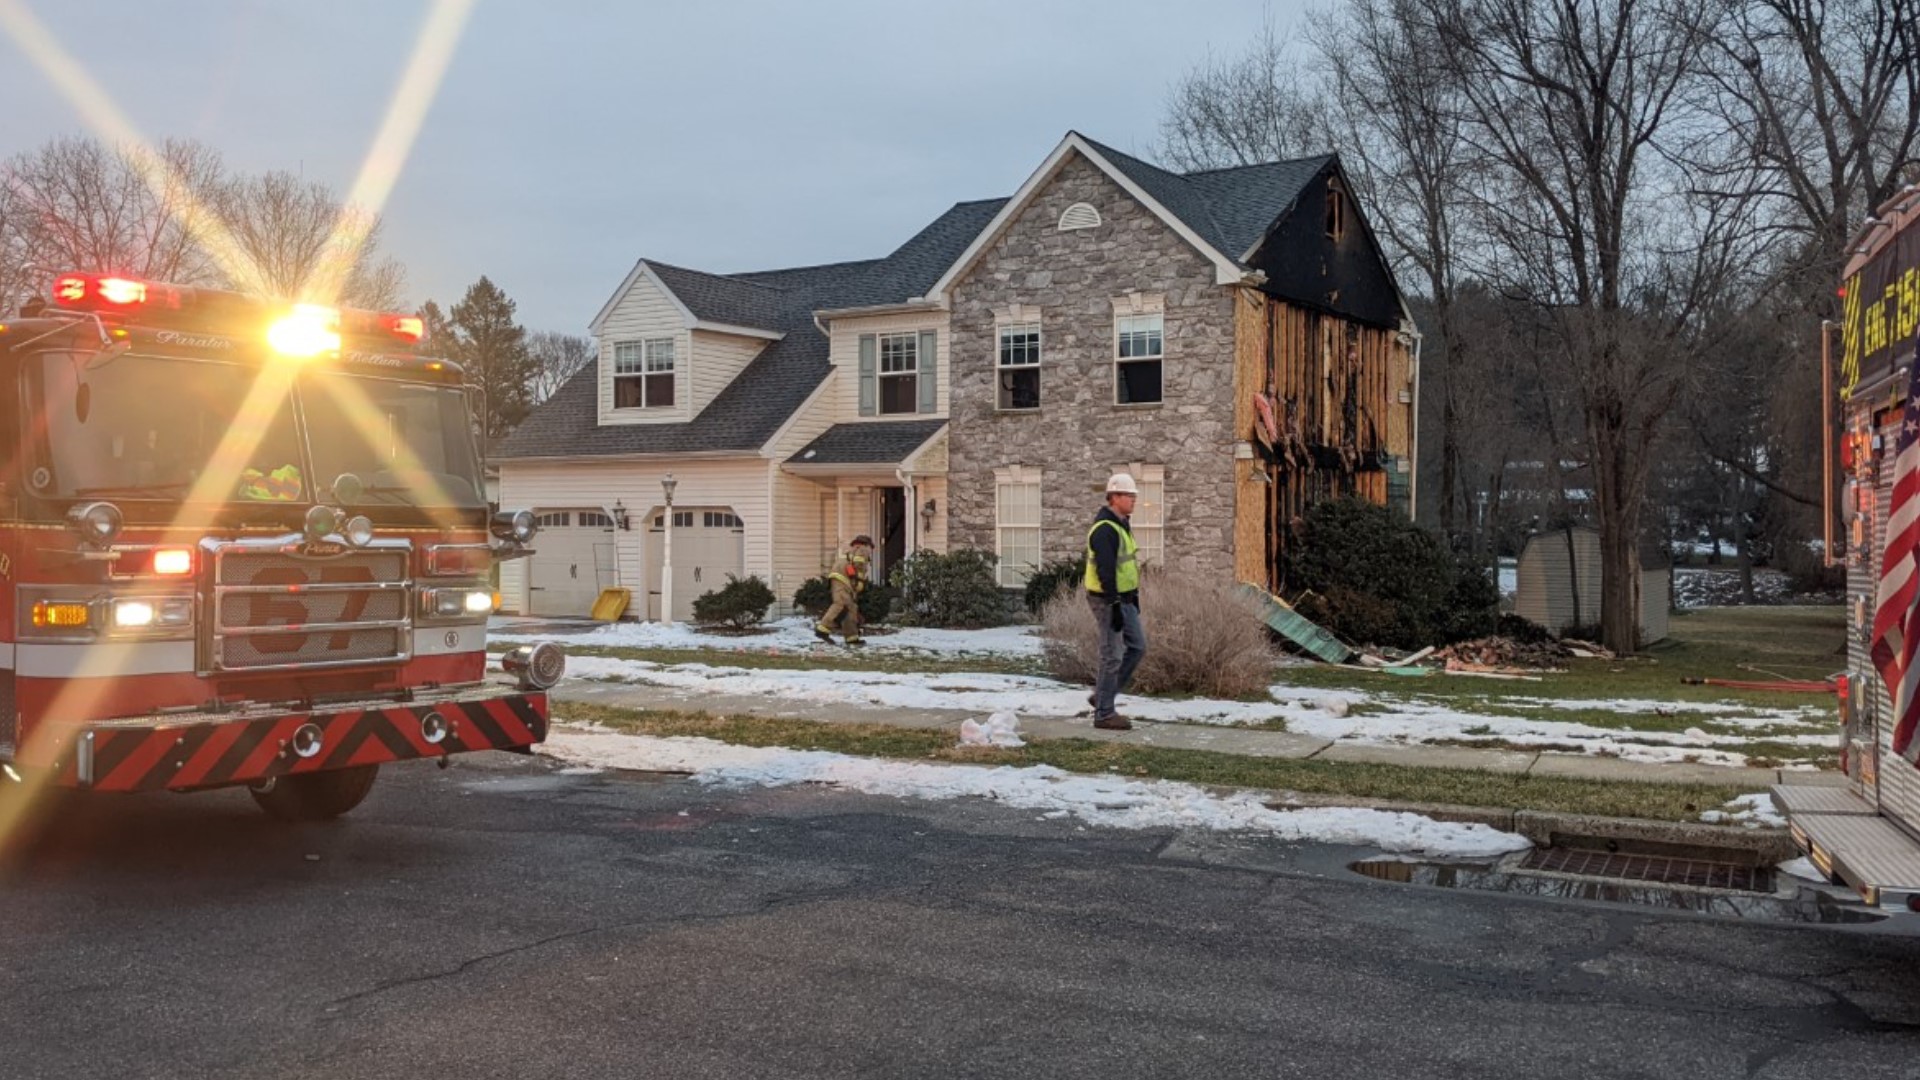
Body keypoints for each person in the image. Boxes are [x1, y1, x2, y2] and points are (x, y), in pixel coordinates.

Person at [1085, 473, 1146, 730]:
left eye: (1133, 496)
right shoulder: (1105, 530)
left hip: (1125, 599)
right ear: (1114, 497)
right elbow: (1106, 572)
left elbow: (1126, 568)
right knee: (1112, 655)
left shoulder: (1122, 525)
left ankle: (1103, 696)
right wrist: (1114, 605)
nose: (1133, 500)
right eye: (1129, 496)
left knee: (1137, 647)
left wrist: (1132, 599)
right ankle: (1104, 714)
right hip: (1107, 600)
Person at [815, 534, 874, 646]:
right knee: (840, 604)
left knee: (851, 608)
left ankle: (852, 637)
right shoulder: (862, 549)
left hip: (843, 580)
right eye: (870, 547)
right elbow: (859, 566)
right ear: (866, 544)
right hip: (842, 580)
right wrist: (859, 582)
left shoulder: (850, 551)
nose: (870, 551)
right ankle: (822, 629)